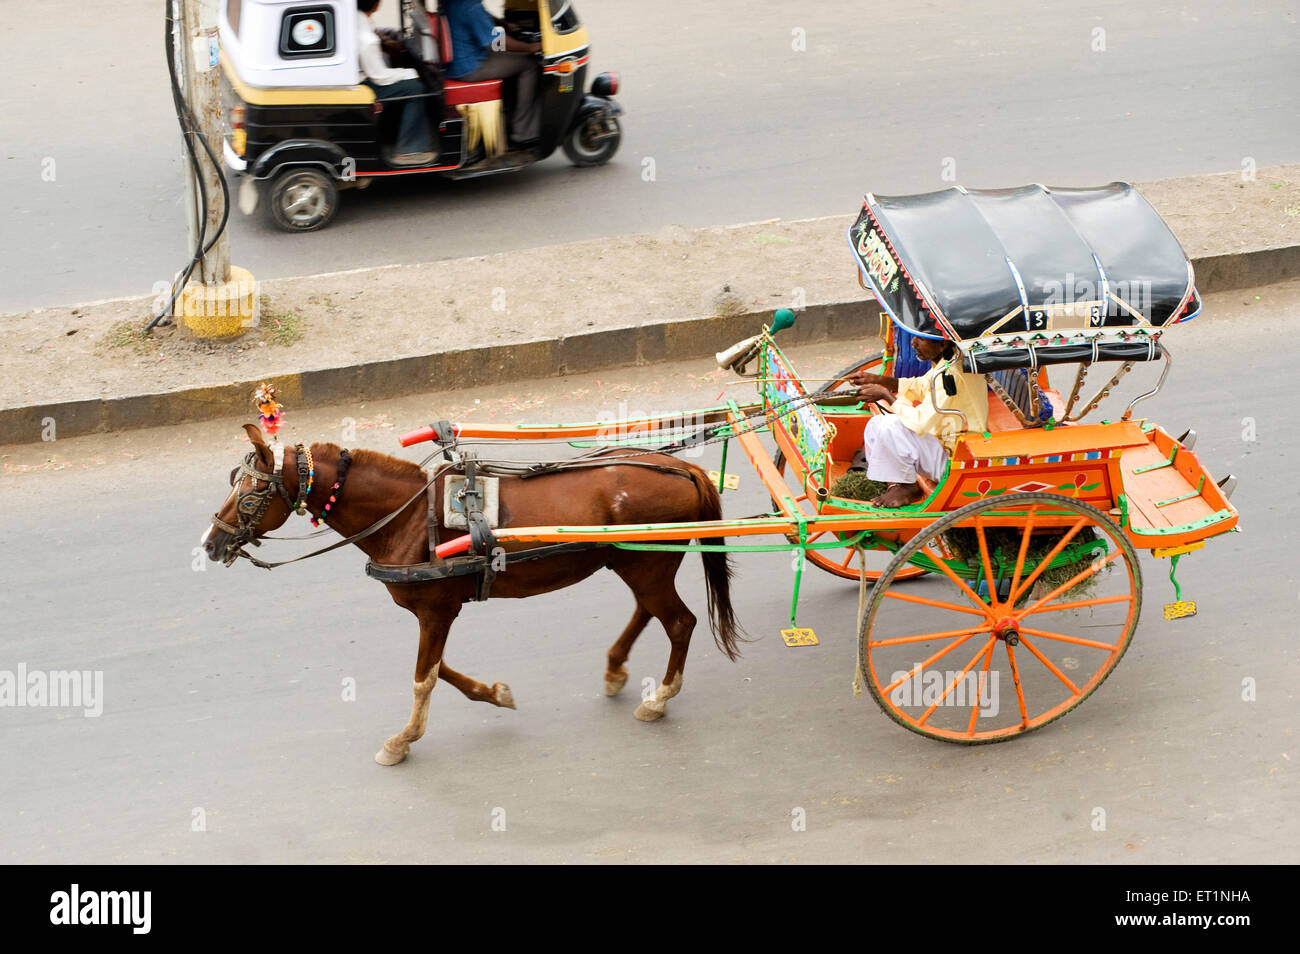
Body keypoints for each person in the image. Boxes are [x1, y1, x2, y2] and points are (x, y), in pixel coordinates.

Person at [850, 334, 989, 508]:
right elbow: (922, 385)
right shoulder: (950, 359)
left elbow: (920, 422)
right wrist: (877, 380)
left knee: (888, 426)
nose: (913, 342)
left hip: (956, 458)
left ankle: (909, 488)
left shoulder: (951, 374)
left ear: (942, 344)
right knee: (876, 424)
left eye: (920, 339)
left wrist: (884, 394)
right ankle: (896, 483)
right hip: (947, 444)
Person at [443, 0, 542, 146]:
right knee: (530, 64)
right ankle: (523, 132)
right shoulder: (470, 6)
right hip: (469, 67)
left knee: (513, 58)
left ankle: (510, 115)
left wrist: (503, 23)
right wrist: (530, 47)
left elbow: (482, 17)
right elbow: (498, 42)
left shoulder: (459, 4)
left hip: (458, 62)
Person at [357, 0, 435, 164]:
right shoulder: (366, 39)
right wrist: (409, 73)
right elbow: (380, 77)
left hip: (364, 76)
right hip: (365, 85)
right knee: (416, 88)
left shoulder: (359, 18)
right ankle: (409, 150)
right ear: (376, 4)